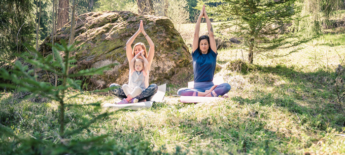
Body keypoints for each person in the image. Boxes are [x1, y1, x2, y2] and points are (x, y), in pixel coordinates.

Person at [177, 5, 231, 97]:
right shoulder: (196, 54)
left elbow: (211, 35)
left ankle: (206, 94)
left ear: (209, 45)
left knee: (227, 86)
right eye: (201, 44)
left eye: (205, 44)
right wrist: (199, 18)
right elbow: (195, 35)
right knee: (180, 91)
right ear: (198, 45)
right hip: (197, 87)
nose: (203, 46)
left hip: (210, 86)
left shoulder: (212, 54)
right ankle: (207, 94)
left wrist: (206, 17)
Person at [110, 20, 158, 104]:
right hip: (129, 93)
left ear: (143, 51)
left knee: (154, 87)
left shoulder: (147, 62)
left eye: (139, 49)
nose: (137, 51)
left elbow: (152, 46)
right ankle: (130, 99)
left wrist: (143, 32)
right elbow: (128, 44)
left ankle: (135, 99)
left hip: (142, 94)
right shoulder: (132, 62)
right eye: (135, 50)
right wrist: (138, 31)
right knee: (112, 87)